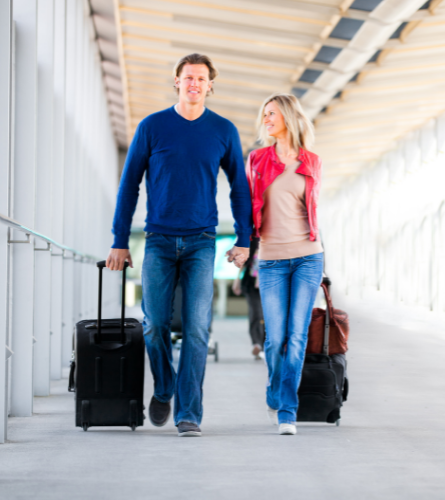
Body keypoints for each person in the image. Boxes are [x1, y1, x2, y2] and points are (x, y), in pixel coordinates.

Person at [106, 53, 251, 437]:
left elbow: (240, 188)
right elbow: (129, 185)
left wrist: (245, 238)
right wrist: (120, 240)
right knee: (153, 325)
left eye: (201, 79)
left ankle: (189, 413)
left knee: (198, 328)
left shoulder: (223, 130)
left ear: (210, 85)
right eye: (188, 77)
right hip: (157, 241)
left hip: (202, 242)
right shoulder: (153, 126)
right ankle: (165, 386)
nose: (194, 84)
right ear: (176, 81)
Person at [246, 93, 324, 436]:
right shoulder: (258, 159)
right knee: (275, 339)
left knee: (297, 336)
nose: (266, 119)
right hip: (272, 259)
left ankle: (287, 411)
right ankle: (274, 390)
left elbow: (313, 210)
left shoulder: (312, 161)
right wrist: (242, 246)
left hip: (308, 256)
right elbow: (248, 205)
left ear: (289, 117)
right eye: (264, 114)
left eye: (272, 113)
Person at [232, 238, 265, 360]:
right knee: (256, 313)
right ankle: (257, 343)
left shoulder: (276, 235)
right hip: (251, 283)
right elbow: (244, 260)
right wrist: (237, 279)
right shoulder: (253, 238)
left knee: (267, 315)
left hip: (269, 283)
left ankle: (265, 345)